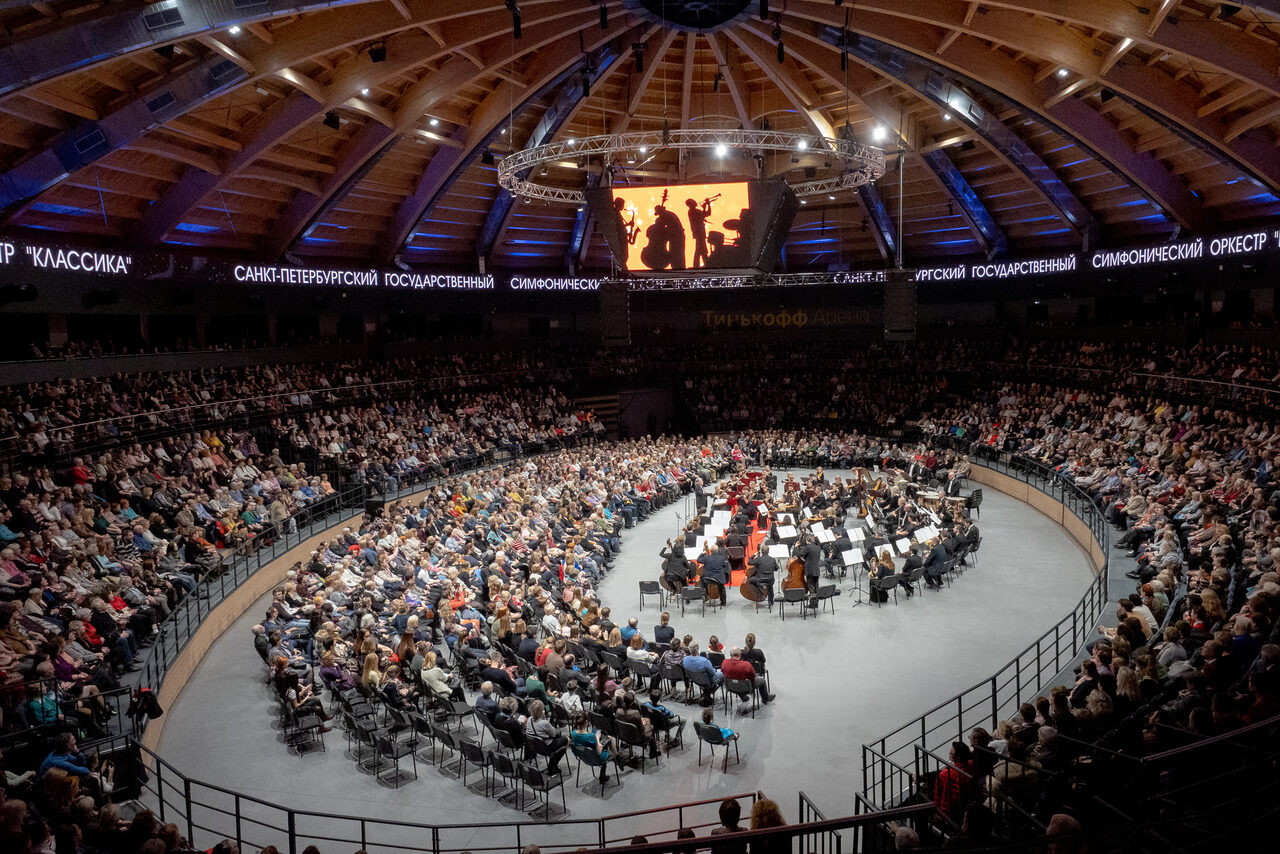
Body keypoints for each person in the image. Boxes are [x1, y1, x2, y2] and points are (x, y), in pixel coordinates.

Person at [570, 711, 616, 785]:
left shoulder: (573, 733)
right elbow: (599, 752)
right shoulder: (590, 736)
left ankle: (603, 775)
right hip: (597, 759)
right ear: (586, 722)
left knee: (603, 740)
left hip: (583, 757)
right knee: (609, 739)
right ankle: (617, 758)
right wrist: (597, 738)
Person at [747, 541, 777, 608]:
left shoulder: (758, 559)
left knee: (750, 581)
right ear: (768, 552)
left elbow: (749, 562)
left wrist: (754, 555)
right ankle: (771, 602)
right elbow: (776, 569)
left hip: (760, 580)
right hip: (770, 580)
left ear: (762, 552)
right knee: (770, 587)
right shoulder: (773, 560)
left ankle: (758, 593)